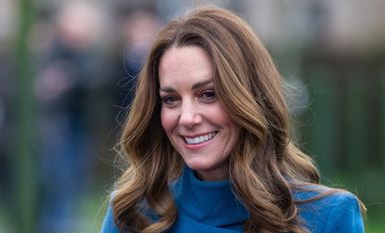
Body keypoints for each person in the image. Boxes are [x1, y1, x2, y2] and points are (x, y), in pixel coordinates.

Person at [101, 6, 365, 233]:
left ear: (250, 98)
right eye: (171, 99)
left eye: (208, 94)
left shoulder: (330, 216)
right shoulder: (131, 216)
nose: (188, 118)